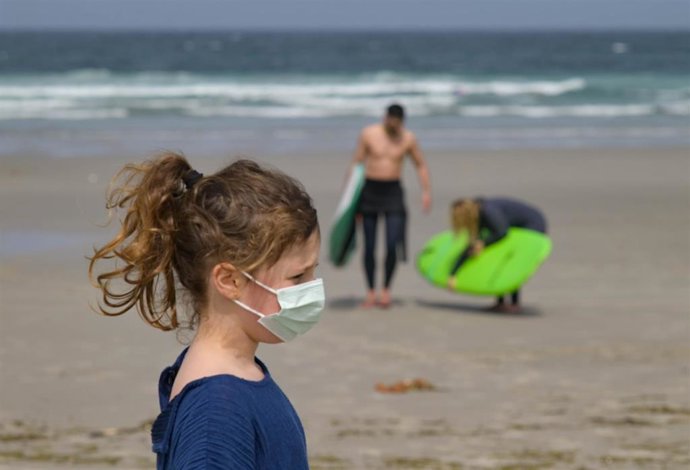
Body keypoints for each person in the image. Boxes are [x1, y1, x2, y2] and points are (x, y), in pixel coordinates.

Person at [89, 153, 324, 469]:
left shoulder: (240, 375)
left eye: (312, 272)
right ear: (229, 280)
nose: (311, 288)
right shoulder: (217, 413)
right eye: (297, 276)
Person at [349, 103, 432, 308]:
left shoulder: (408, 138)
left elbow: (420, 164)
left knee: (392, 244)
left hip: (393, 192)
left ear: (401, 121)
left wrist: (426, 192)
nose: (392, 125)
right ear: (385, 117)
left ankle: (385, 291)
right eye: (390, 121)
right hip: (369, 192)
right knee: (369, 246)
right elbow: (357, 163)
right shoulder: (369, 134)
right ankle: (370, 292)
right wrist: (349, 199)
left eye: (397, 123)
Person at [448, 197, 547, 313]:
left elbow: (502, 232)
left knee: (511, 263)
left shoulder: (488, 212)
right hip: (511, 226)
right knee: (497, 257)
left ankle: (514, 304)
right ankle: (500, 302)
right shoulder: (477, 215)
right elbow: (471, 246)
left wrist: (483, 244)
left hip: (533, 224)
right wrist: (453, 274)